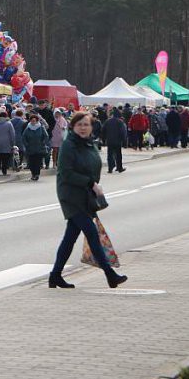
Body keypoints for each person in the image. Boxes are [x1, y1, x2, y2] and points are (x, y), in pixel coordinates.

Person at [49, 111, 128, 289]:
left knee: (70, 238)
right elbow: (66, 173)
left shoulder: (90, 144)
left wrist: (93, 185)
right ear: (72, 127)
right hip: (71, 196)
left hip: (86, 195)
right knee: (92, 234)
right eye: (79, 125)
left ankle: (55, 276)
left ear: (91, 126)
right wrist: (91, 183)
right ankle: (110, 275)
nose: (83, 128)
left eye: (86, 124)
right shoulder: (69, 145)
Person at [21, 114, 49, 181]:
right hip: (30, 148)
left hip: (39, 148)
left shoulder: (41, 128)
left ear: (37, 121)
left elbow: (46, 136)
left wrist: (43, 143)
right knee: (31, 163)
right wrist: (26, 145)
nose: (33, 122)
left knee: (38, 162)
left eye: (34, 121)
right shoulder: (28, 128)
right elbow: (23, 138)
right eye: (32, 121)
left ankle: (36, 175)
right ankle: (33, 174)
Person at [103, 109, 127, 174]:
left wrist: (103, 139)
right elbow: (123, 132)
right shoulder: (120, 122)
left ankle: (110, 168)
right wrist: (124, 142)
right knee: (118, 154)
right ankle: (119, 168)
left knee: (110, 154)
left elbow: (103, 131)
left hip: (109, 140)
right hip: (118, 141)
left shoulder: (107, 121)